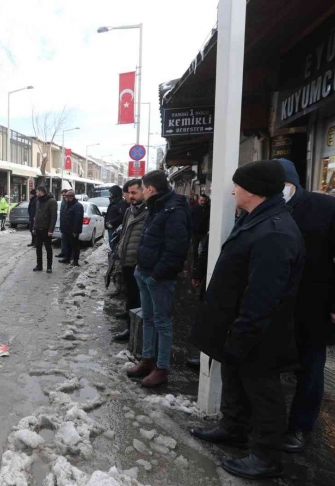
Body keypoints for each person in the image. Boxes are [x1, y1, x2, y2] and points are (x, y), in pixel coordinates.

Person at [190, 160, 304, 480]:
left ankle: (266, 456)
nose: (233, 190)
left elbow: (264, 294)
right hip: (238, 324)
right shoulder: (257, 219)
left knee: (263, 392)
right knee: (236, 380)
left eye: (237, 185)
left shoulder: (275, 231)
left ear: (252, 191)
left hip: (259, 332)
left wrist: (243, 333)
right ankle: (233, 427)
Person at [276, 158, 335, 453]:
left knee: (309, 369)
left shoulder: (328, 208)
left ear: (293, 182)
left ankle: (300, 427)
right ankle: (268, 422)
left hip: (313, 305)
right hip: (275, 304)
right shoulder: (265, 206)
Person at [126, 170, 191, 388]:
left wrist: (156, 275)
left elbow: (176, 250)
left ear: (151, 189)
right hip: (144, 272)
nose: (141, 191)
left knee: (162, 322)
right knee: (148, 318)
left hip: (159, 277)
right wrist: (139, 267)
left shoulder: (175, 210)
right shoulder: (156, 206)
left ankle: (161, 368)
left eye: (142, 188)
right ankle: (147, 359)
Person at [113, 179, 148, 341]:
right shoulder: (129, 211)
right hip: (126, 261)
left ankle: (133, 331)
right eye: (129, 193)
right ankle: (130, 324)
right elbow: (126, 233)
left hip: (139, 264)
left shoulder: (149, 212)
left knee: (138, 299)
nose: (130, 196)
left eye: (134, 192)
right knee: (131, 296)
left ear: (145, 191)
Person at [186, 232, 209, 369]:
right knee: (205, 313)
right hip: (210, 274)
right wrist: (198, 272)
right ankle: (203, 353)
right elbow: (206, 250)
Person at [33, 185, 57, 273]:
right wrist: (34, 227)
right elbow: (36, 215)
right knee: (38, 248)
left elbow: (54, 217)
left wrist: (51, 230)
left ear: (41, 191)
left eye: (37, 192)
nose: (36, 193)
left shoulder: (51, 201)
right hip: (38, 228)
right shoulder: (38, 201)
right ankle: (39, 265)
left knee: (48, 248)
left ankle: (49, 267)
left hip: (46, 229)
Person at [59, 190, 84, 267]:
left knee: (75, 246)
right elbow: (63, 217)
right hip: (66, 229)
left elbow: (78, 219)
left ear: (71, 198)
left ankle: (75, 260)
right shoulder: (66, 205)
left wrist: (75, 231)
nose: (65, 199)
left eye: (67, 197)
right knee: (67, 245)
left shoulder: (78, 206)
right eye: (65, 197)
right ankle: (67, 258)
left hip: (73, 230)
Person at [190, 194, 211, 266]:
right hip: (195, 232)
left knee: (204, 249)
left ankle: (202, 263)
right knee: (194, 250)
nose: (203, 202)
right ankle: (194, 263)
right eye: (201, 200)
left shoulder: (208, 208)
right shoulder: (194, 208)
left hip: (204, 232)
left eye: (204, 201)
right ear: (198, 200)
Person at [105, 185, 128, 249]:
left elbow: (122, 215)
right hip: (111, 227)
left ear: (115, 193)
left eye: (111, 192)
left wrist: (111, 221)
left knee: (114, 244)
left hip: (115, 228)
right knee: (111, 244)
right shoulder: (114, 201)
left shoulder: (121, 202)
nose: (110, 194)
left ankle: (115, 257)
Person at [56, 189, 72, 259]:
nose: (63, 197)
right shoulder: (63, 201)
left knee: (68, 241)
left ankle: (68, 255)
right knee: (63, 239)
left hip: (68, 225)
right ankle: (63, 253)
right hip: (63, 223)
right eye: (62, 195)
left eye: (64, 195)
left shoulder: (69, 202)